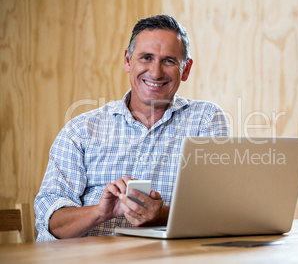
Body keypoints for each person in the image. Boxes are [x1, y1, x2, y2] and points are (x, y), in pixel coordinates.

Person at [34, 15, 229, 241]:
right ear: (128, 60)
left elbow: (219, 211)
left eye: (169, 61)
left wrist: (161, 215)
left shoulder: (205, 120)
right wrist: (100, 212)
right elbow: (50, 223)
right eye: (146, 58)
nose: (155, 73)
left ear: (185, 69)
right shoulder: (81, 130)